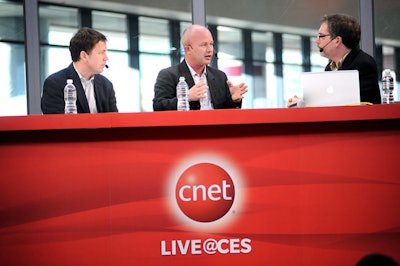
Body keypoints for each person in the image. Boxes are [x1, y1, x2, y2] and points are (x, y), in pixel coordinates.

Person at [288, 13, 381, 107]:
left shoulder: (363, 63)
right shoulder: (329, 68)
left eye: (321, 36)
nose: (317, 41)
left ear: (337, 40)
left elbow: (357, 104)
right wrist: (302, 103)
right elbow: (327, 102)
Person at [153, 24, 248, 111]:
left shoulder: (220, 76)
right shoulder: (169, 75)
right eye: (203, 45)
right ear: (188, 49)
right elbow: (158, 106)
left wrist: (233, 100)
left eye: (211, 44)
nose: (210, 50)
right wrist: (187, 97)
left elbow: (227, 114)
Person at [41, 27, 118, 114]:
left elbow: (114, 121)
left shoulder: (106, 85)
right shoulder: (55, 84)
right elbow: (56, 124)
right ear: (84, 55)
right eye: (101, 53)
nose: (106, 58)